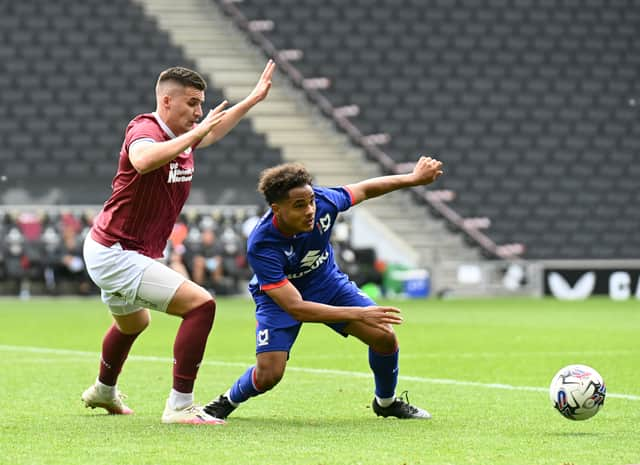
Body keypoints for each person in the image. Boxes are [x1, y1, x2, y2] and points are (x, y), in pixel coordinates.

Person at [81, 60, 276, 425]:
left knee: (133, 324)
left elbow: (211, 133)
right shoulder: (145, 128)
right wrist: (194, 134)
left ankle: (102, 391)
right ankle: (180, 406)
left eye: (201, 104)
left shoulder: (181, 136)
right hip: (117, 253)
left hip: (114, 247)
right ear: (167, 101)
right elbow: (141, 160)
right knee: (201, 305)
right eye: (192, 103)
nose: (199, 112)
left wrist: (251, 100)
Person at [203, 156, 443, 420]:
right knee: (270, 374)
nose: (310, 210)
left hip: (326, 282)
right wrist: (359, 314)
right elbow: (296, 308)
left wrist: (412, 178)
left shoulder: (324, 202)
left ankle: (386, 402)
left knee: (384, 337)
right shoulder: (262, 245)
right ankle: (227, 401)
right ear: (277, 209)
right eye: (299, 205)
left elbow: (365, 189)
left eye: (311, 202)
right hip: (280, 298)